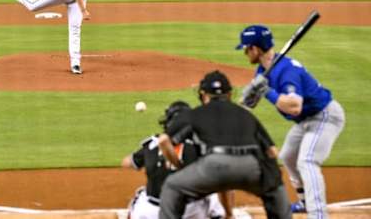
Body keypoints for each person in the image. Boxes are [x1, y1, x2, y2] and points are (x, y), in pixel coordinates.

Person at [236, 25, 345, 219]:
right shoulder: (263, 70)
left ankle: (318, 215)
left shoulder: (286, 71)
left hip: (324, 116)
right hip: (305, 122)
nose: (245, 53)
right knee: (288, 156)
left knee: (307, 160)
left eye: (246, 49)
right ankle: (305, 201)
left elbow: (295, 106)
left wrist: (267, 92)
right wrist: (247, 97)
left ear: (255, 48)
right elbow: (248, 106)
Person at [158, 70, 291, 219]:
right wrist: (271, 178)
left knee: (172, 186)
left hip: (214, 165)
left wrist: (178, 165)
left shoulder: (195, 113)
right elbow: (272, 151)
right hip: (251, 166)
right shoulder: (245, 114)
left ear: (203, 94)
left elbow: (164, 140)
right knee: (275, 189)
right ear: (229, 94)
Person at [122, 101, 228, 219]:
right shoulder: (200, 145)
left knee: (140, 194)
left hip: (153, 212)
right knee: (211, 191)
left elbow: (127, 162)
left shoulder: (152, 143)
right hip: (190, 211)